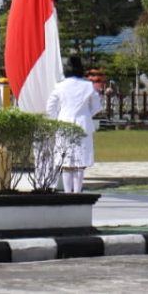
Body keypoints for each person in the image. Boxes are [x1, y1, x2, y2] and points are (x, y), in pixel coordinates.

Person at [46, 56, 102, 193]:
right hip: (83, 124)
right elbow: (97, 107)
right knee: (80, 161)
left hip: (64, 123)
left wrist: (57, 118)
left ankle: (67, 191)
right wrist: (86, 115)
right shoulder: (87, 86)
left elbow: (50, 108)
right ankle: (77, 191)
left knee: (66, 161)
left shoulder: (60, 86)